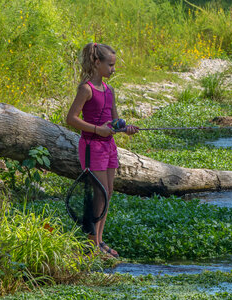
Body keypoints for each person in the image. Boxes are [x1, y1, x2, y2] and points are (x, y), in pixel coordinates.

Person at [66, 42, 138, 258]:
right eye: (110, 65)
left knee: (108, 193)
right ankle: (91, 244)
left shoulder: (109, 90)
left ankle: (99, 239)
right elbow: (71, 119)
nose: (113, 70)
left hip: (109, 146)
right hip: (91, 146)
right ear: (97, 63)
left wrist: (125, 129)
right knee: (100, 192)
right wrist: (98, 129)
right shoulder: (85, 89)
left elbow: (115, 122)